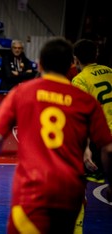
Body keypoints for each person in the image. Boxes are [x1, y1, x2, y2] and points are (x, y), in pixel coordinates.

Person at [0, 38, 112, 233]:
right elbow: (108, 148)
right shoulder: (85, 100)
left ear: (39, 64)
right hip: (70, 191)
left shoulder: (22, 92)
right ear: (70, 65)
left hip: (32, 189)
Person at [72, 39, 112, 184]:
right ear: (96, 54)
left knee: (79, 180)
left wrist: (85, 147)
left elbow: (83, 117)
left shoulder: (80, 80)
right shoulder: (110, 71)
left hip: (100, 140)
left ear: (75, 59)